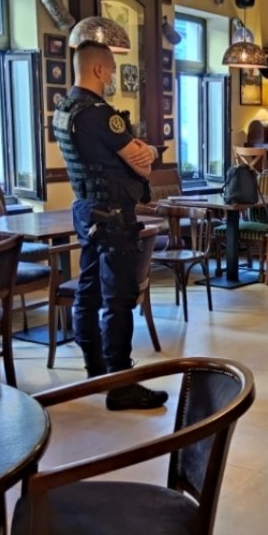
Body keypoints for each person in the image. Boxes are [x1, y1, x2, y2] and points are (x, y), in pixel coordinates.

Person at [52, 41, 168, 411]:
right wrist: (149, 152)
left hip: (85, 208)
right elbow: (142, 166)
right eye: (112, 69)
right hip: (114, 213)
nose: (113, 76)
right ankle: (120, 384)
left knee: (88, 291)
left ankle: (95, 372)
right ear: (99, 70)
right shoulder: (100, 115)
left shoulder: (64, 110)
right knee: (118, 298)